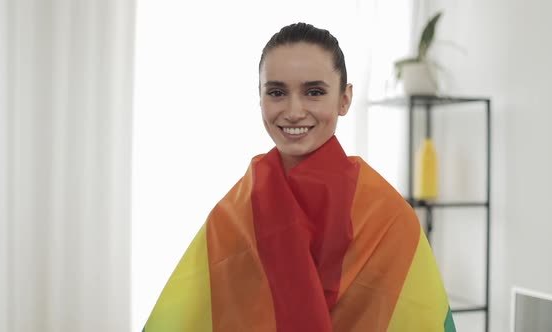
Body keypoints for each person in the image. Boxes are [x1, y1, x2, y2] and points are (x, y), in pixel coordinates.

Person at [142, 22, 456, 332]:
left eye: (314, 92)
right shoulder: (234, 213)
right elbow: (199, 313)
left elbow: (415, 316)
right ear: (260, 98)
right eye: (277, 92)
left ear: (344, 99)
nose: (293, 111)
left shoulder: (386, 215)